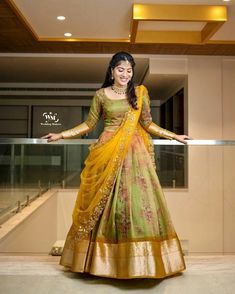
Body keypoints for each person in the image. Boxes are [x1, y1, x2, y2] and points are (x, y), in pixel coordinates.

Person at [42, 52, 190, 279]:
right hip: (107, 154)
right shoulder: (101, 95)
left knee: (135, 205)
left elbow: (148, 123)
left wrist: (174, 136)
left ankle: (141, 263)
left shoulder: (139, 93)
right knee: (104, 204)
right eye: (120, 69)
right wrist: (62, 134)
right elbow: (89, 124)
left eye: (129, 70)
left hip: (135, 157)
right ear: (111, 70)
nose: (125, 74)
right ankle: (100, 263)